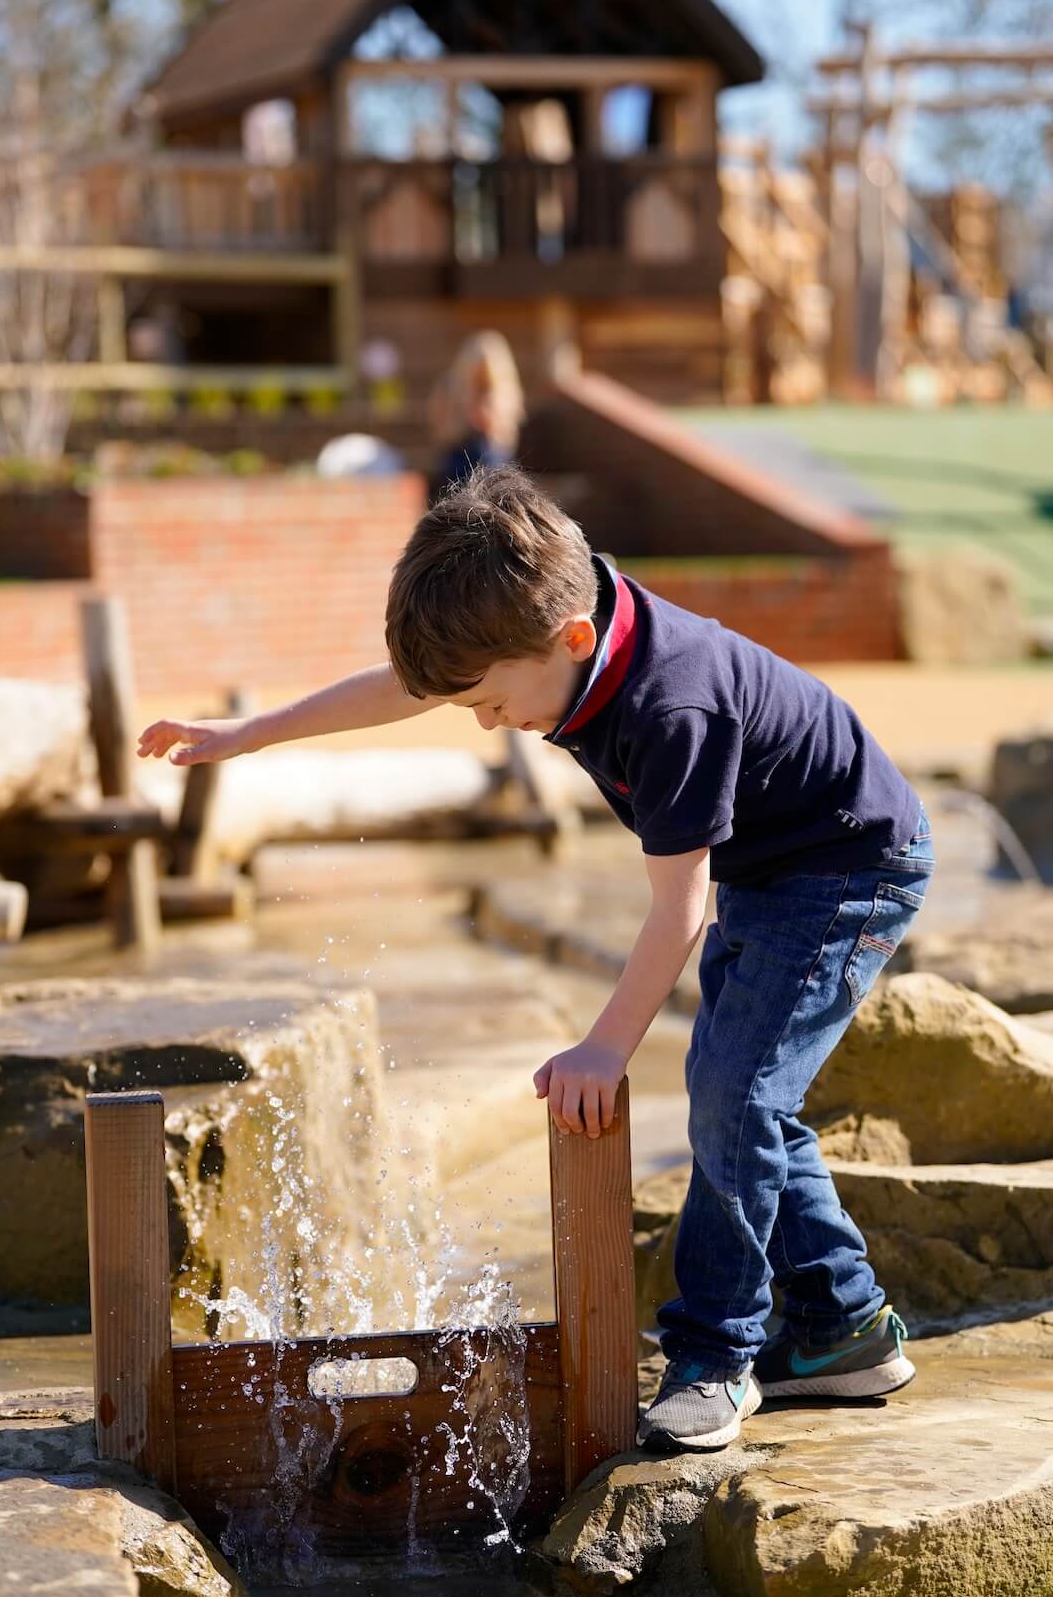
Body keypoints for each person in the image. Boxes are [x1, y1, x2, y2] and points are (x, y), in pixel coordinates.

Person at [137, 466, 933, 1456]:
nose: (480, 720)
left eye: (487, 700)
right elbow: (409, 687)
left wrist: (604, 1048)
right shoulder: (557, 627)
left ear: (570, 644)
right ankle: (842, 1329)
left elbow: (677, 911)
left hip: (848, 871)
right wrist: (250, 735)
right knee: (747, 1094)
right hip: (776, 870)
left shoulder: (672, 706)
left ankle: (716, 1358)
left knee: (735, 1097)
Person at [431, 330, 525, 496]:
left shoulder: (503, 393)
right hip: (461, 457)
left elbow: (506, 438)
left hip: (492, 460)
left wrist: (490, 421)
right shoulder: (452, 389)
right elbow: (444, 431)